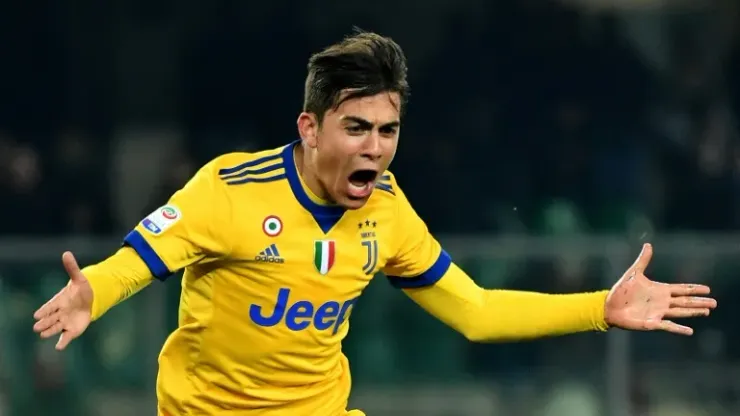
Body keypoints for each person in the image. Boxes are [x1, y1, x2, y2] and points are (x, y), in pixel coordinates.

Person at [32, 30, 717, 416]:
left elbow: (476, 311)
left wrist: (600, 308)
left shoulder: (386, 209)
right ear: (309, 128)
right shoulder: (230, 190)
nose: (375, 147)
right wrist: (94, 291)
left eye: (387, 130)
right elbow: (136, 263)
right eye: (356, 127)